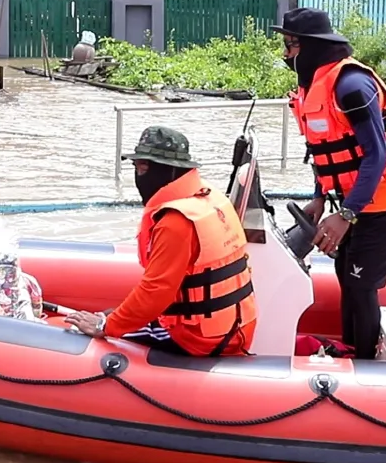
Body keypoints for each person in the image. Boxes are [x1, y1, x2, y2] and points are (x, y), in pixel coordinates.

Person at [272, 7, 386, 360]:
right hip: (353, 199)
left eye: (290, 46)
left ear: (309, 47)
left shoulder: (351, 86)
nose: (285, 55)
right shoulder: (312, 88)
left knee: (361, 281)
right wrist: (320, 198)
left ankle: (366, 362)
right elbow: (326, 149)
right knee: (345, 271)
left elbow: (376, 155)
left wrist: (346, 214)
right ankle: (352, 347)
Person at [66, 126, 257, 357]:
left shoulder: (176, 221)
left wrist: (105, 325)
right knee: (106, 314)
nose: (139, 176)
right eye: (137, 168)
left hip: (196, 338)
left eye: (144, 168)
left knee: (75, 333)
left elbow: (156, 291)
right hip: (234, 326)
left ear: (170, 171)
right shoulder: (211, 199)